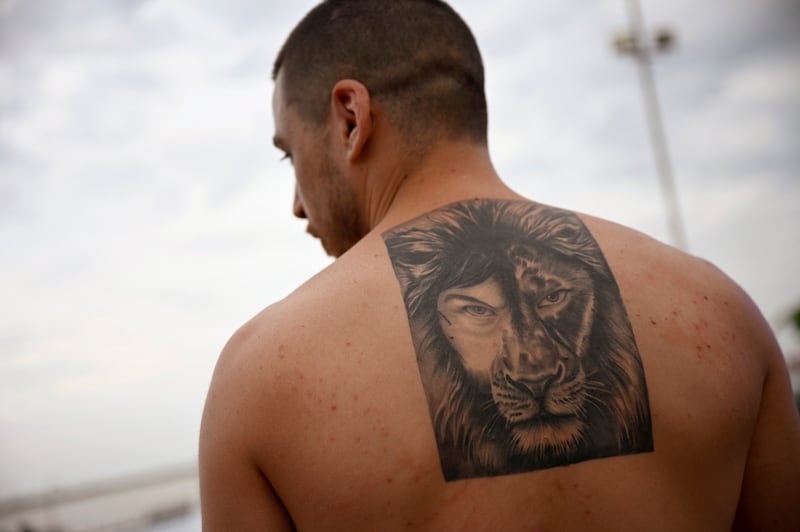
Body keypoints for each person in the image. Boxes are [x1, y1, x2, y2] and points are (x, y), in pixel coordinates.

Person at [199, 0, 800, 530]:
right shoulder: (720, 313)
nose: (298, 204)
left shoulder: (260, 380)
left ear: (350, 119)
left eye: (290, 156)